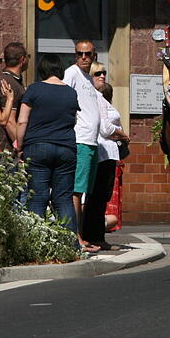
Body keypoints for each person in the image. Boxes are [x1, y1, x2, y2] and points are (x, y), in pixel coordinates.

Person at [15, 53, 79, 240]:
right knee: (63, 198)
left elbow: (22, 121)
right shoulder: (70, 92)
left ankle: (36, 243)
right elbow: (73, 120)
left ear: (41, 70)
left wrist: (20, 146)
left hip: (38, 146)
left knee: (37, 197)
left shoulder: (34, 89)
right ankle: (70, 245)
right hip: (66, 148)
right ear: (60, 70)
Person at [83, 65, 127, 250]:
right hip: (102, 152)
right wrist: (123, 135)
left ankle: (96, 235)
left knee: (101, 197)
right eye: (97, 73)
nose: (102, 76)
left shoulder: (101, 98)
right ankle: (94, 236)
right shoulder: (95, 98)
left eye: (104, 73)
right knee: (98, 197)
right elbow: (105, 129)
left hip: (108, 153)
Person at [64, 39, 102, 252]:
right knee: (77, 192)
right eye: (80, 54)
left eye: (88, 54)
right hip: (81, 139)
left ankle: (81, 235)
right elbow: (63, 97)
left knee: (84, 191)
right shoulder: (71, 73)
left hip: (91, 140)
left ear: (94, 55)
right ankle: (76, 238)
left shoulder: (88, 78)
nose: (84, 57)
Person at [0, 42, 28, 152]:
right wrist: (19, 147)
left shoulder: (14, 81)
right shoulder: (8, 82)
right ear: (22, 59)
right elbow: (9, 120)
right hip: (7, 149)